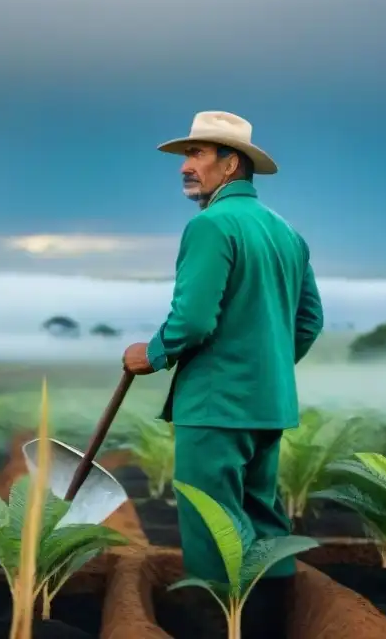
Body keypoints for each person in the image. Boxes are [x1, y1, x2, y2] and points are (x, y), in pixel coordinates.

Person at [122, 110, 324, 635]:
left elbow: (191, 320)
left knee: (212, 526)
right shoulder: (287, 233)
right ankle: (265, 629)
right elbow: (309, 321)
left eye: (197, 155)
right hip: (267, 404)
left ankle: (220, 629)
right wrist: (265, 369)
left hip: (214, 406)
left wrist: (153, 353)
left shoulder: (210, 225)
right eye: (186, 156)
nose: (185, 167)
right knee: (262, 521)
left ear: (231, 164)